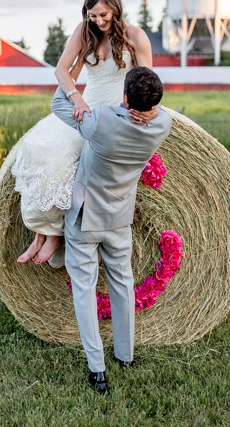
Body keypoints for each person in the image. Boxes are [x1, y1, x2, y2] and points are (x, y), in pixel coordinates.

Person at [7, 0, 154, 271]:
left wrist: (145, 112)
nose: (98, 21)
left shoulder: (135, 37)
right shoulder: (84, 31)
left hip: (115, 113)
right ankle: (46, 232)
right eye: (92, 15)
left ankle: (52, 235)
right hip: (84, 108)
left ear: (115, 8)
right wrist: (76, 98)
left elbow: (148, 82)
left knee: (70, 159)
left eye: (103, 15)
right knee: (44, 150)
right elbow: (61, 69)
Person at [49, 63, 172, 394]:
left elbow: (58, 105)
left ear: (125, 98)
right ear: (152, 105)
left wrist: (74, 87)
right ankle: (126, 354)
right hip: (119, 219)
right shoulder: (161, 124)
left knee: (86, 291)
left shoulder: (100, 121)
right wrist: (146, 109)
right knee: (123, 283)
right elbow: (160, 110)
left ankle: (97, 370)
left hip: (86, 220)